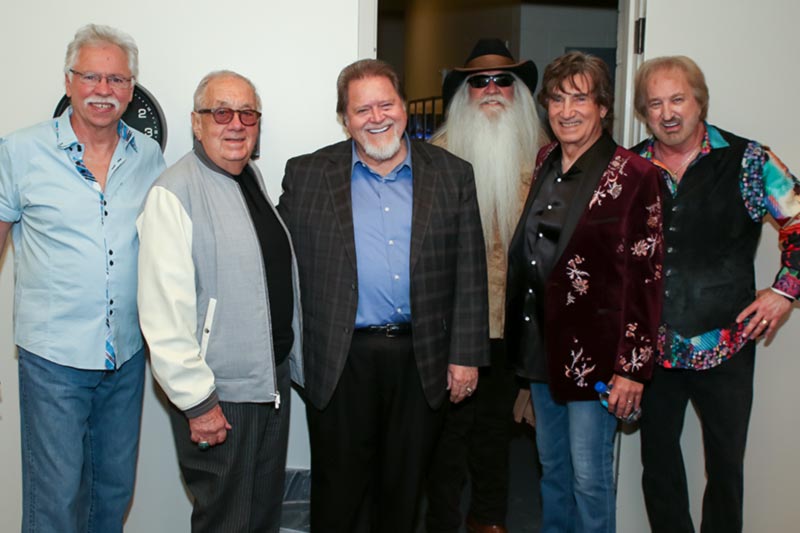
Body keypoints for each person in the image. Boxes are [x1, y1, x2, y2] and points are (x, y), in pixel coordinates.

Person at [278, 58, 489, 533]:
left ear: (405, 106)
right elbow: (273, 256)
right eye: (362, 109)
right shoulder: (308, 174)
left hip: (423, 358)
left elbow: (470, 270)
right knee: (339, 492)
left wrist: (466, 356)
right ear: (344, 118)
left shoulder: (452, 174)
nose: (377, 117)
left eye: (386, 104)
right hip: (339, 358)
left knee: (404, 489)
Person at [0, 24, 165, 533]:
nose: (103, 89)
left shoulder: (149, 156)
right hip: (54, 360)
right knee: (54, 504)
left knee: (111, 496)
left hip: (126, 356)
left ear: (131, 89)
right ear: (69, 81)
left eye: (116, 79)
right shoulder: (19, 151)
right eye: (91, 76)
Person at [632, 55, 800, 533]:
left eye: (678, 99)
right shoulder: (631, 167)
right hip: (653, 348)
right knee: (658, 468)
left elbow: (799, 219)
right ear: (645, 112)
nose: (668, 113)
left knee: (726, 470)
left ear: (699, 101)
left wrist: (784, 293)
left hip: (727, 343)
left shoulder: (750, 160)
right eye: (655, 103)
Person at [137, 70, 304, 532]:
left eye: (247, 113)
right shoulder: (173, 194)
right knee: (226, 521)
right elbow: (162, 318)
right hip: (220, 394)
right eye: (222, 112)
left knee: (261, 514)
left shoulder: (249, 177)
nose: (236, 123)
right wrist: (198, 402)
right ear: (196, 122)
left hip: (267, 381)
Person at [504, 51, 663, 533]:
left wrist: (631, 369)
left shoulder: (635, 174)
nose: (566, 110)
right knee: (552, 471)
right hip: (540, 351)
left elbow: (647, 277)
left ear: (603, 108)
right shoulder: (544, 160)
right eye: (556, 98)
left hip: (598, 359)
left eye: (580, 98)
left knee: (590, 479)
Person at [425, 38, 547, 533]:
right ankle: (441, 522)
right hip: (451, 325)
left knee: (496, 429)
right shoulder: (434, 156)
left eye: (504, 82)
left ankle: (489, 518)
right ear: (464, 94)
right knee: (447, 436)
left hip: (513, 325)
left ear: (518, 92)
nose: (492, 90)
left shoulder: (546, 157)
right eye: (480, 83)